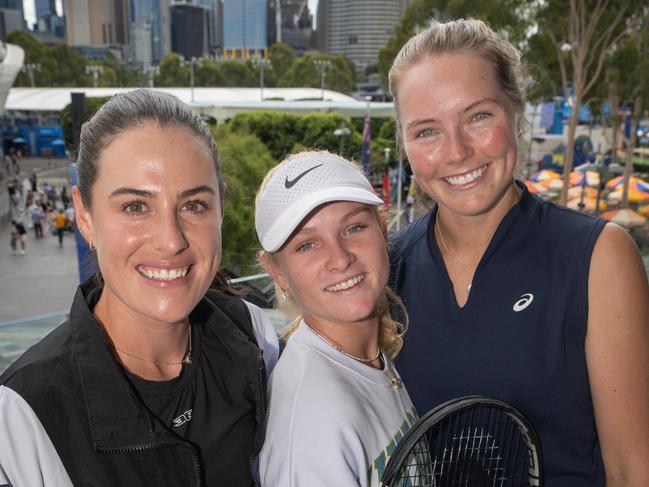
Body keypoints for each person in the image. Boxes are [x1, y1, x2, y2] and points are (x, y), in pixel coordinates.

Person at [387, 18, 649, 486]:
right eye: (427, 131)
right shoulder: (388, 269)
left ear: (516, 112)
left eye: (478, 116)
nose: (457, 151)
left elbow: (633, 469)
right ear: (405, 144)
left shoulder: (598, 259)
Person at [0, 89, 279, 486]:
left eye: (194, 205)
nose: (170, 240)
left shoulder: (252, 333)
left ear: (221, 208)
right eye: (134, 206)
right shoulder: (21, 418)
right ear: (84, 215)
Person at [256, 151, 415, 486]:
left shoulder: (366, 357)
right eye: (307, 245)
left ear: (383, 230)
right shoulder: (313, 424)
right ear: (276, 271)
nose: (340, 259)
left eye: (354, 227)